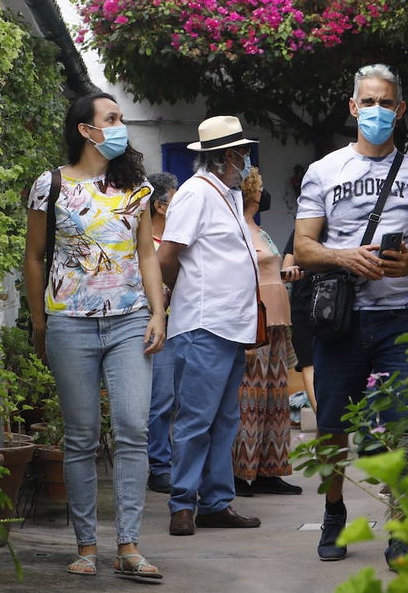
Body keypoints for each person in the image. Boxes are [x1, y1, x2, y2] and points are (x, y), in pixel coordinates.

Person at [293, 64, 408, 564]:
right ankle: (335, 509)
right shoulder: (324, 171)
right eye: (369, 102)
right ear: (353, 107)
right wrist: (344, 256)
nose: (377, 111)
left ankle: (402, 523)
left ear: (400, 109)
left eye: (387, 103)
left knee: (406, 423)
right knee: (333, 424)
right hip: (341, 318)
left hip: (401, 316)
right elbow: (302, 246)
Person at [23, 92, 166, 580]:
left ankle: (128, 545)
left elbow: (146, 254)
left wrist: (158, 312)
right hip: (70, 323)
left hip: (130, 321)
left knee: (133, 429)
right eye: (112, 118)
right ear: (86, 129)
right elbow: (35, 257)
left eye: (121, 118)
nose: (121, 124)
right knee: (81, 436)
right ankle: (86, 545)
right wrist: (40, 323)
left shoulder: (137, 188)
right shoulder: (51, 185)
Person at [157, 115, 263, 536]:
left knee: (224, 421)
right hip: (204, 325)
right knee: (196, 421)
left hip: (230, 326)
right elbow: (167, 257)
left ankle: (216, 501)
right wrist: (184, 296)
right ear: (227, 157)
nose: (247, 162)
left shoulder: (228, 195)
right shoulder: (196, 195)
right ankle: (182, 504)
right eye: (242, 155)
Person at [233, 167, 305, 497]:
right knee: (249, 399)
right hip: (254, 321)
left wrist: (286, 273)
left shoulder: (258, 230)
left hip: (276, 322)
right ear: (251, 191)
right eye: (259, 187)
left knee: (275, 399)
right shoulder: (237, 230)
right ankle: (238, 472)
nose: (263, 193)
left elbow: (267, 269)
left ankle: (269, 470)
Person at [145, 171, 179, 494]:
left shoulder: (178, 238)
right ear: (159, 206)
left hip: (183, 324)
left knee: (181, 399)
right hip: (158, 326)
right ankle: (159, 466)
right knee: (162, 399)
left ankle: (172, 462)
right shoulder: (145, 244)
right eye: (174, 197)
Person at [281, 232, 316, 418]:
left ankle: (324, 420)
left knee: (309, 364)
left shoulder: (303, 230)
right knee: (310, 363)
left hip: (304, 303)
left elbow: (287, 269)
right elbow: (287, 269)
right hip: (335, 302)